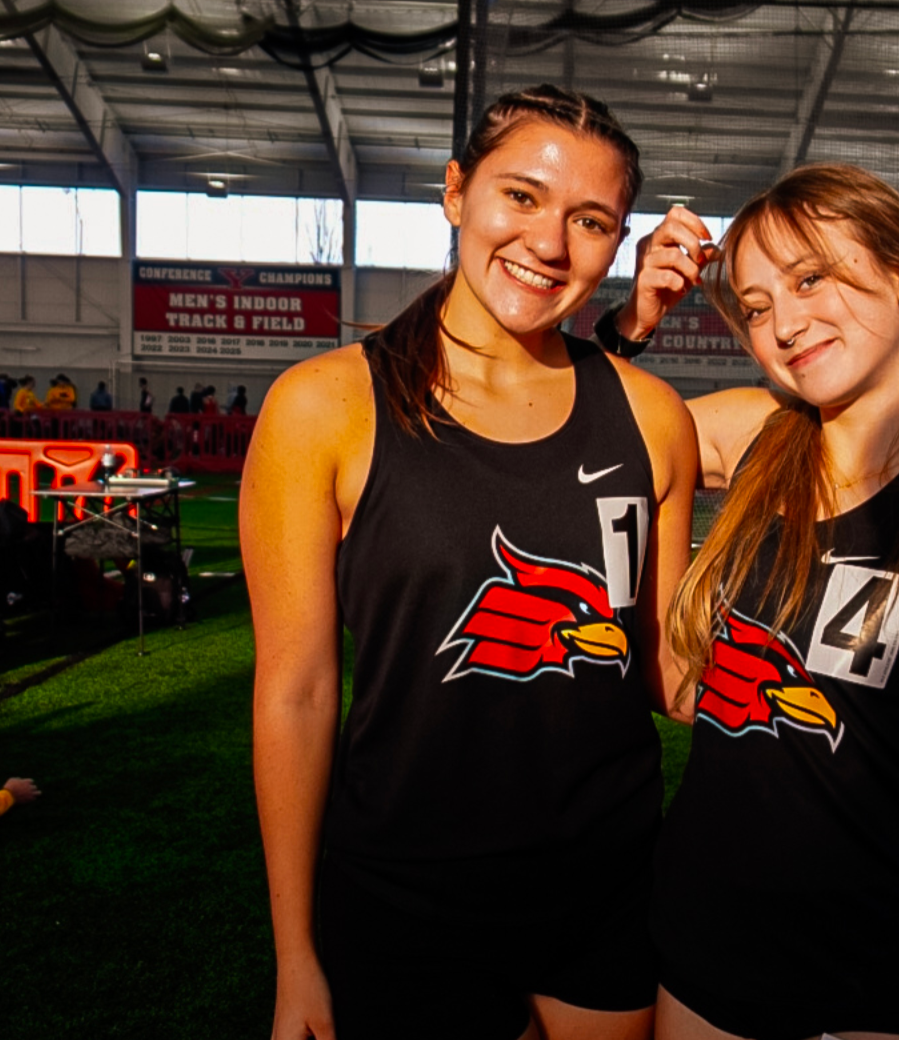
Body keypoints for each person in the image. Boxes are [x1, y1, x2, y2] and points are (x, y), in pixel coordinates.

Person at [243, 84, 696, 1040]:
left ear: (619, 244)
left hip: (606, 886)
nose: (548, 243)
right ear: (456, 192)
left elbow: (662, 667)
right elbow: (296, 693)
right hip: (405, 895)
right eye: (520, 197)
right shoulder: (324, 408)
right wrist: (295, 955)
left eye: (590, 220)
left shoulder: (653, 418)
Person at [622, 164, 899, 1039]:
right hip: (701, 958)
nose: (783, 325)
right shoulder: (751, 436)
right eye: (755, 307)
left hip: (888, 973)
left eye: (809, 279)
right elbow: (565, 429)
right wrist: (633, 322)